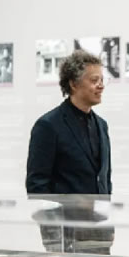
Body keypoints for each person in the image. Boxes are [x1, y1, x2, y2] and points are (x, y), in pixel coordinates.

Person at [26, 49, 111, 194]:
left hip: (99, 208)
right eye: (94, 80)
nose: (101, 86)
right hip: (64, 209)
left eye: (102, 80)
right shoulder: (48, 126)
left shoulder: (102, 125)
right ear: (73, 84)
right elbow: (37, 184)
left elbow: (105, 179)